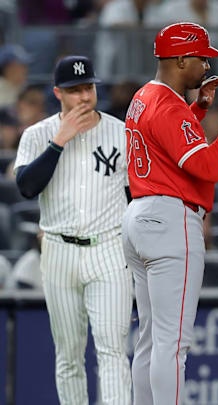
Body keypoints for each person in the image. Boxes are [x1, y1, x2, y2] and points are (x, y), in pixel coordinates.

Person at [122, 22, 218, 404]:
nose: (206, 65)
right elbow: (209, 168)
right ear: (181, 59)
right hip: (169, 219)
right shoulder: (167, 105)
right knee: (173, 342)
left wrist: (196, 109)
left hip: (140, 215)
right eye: (201, 58)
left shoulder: (144, 96)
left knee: (151, 339)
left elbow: (164, 139)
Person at [13, 55, 133, 404]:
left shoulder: (120, 132)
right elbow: (26, 187)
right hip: (59, 250)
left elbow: (136, 192)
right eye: (74, 90)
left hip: (109, 249)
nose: (83, 96)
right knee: (69, 355)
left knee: (112, 351)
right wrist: (59, 140)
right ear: (58, 93)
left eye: (88, 88)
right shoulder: (38, 134)